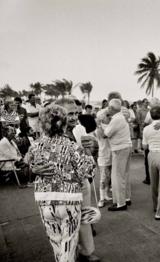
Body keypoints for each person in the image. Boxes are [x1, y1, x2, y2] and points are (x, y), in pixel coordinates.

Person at [27, 104, 95, 262]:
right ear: (63, 124)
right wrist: (90, 155)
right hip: (69, 200)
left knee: (56, 242)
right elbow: (87, 172)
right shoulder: (72, 147)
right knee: (69, 243)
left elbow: (29, 166)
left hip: (45, 200)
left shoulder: (35, 146)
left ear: (42, 123)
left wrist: (34, 168)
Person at [55, 98, 100, 262]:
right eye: (70, 114)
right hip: (64, 186)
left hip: (82, 181)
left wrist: (91, 150)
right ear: (59, 114)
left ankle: (87, 252)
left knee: (85, 217)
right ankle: (69, 254)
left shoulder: (79, 130)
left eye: (76, 113)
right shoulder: (53, 133)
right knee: (67, 222)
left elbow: (89, 159)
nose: (74, 117)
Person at [100, 98, 132, 211]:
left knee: (117, 177)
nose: (107, 109)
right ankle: (126, 198)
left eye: (108, 107)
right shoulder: (120, 117)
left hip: (119, 149)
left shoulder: (116, 119)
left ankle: (120, 203)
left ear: (112, 108)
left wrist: (101, 124)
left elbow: (105, 134)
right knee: (125, 174)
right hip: (126, 147)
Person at [142, 106, 160, 220]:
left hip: (151, 154)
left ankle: (155, 206)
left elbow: (144, 147)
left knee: (153, 183)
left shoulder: (146, 129)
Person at [95, 109, 112, 208]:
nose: (110, 117)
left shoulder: (111, 125)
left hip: (111, 154)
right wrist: (98, 125)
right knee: (103, 178)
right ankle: (101, 198)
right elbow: (103, 136)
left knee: (108, 177)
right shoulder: (98, 128)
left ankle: (105, 195)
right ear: (102, 117)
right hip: (103, 155)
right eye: (107, 115)